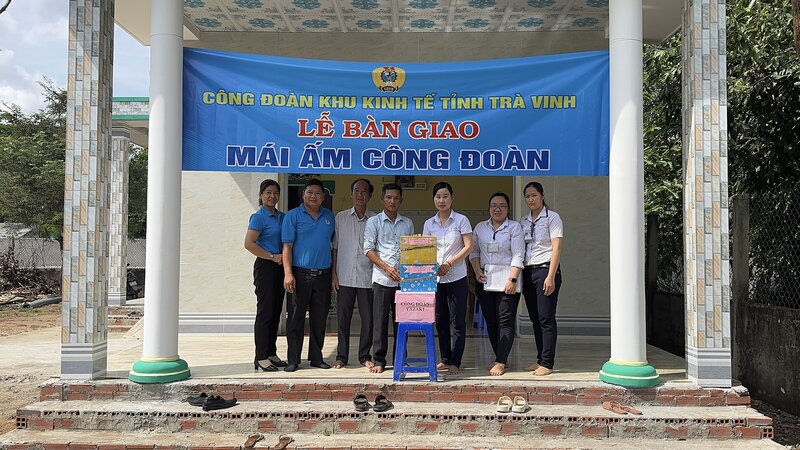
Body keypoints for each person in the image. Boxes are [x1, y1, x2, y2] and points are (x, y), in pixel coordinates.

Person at [281, 178, 336, 372]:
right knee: (295, 319)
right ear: (303, 194)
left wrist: (333, 275)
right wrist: (288, 274)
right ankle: (293, 360)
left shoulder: (329, 217)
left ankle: (316, 357)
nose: (313, 196)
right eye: (309, 192)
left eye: (318, 193)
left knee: (319, 319)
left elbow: (332, 247)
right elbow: (287, 247)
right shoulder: (293, 216)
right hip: (299, 274)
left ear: (323, 196)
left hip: (323, 275)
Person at [469, 192, 525, 376]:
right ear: (489, 208)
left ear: (508, 209)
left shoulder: (514, 228)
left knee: (506, 321)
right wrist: (477, 270)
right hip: (485, 279)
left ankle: (500, 362)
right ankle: (500, 356)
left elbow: (518, 254)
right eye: (494, 205)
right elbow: (474, 252)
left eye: (502, 205)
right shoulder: (480, 228)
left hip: (508, 279)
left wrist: (513, 279)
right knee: (491, 321)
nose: (497, 209)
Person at [423, 181, 473, 375]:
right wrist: (431, 266)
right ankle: (444, 358)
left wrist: (449, 263)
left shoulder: (461, 220)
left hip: (457, 277)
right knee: (440, 319)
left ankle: (456, 361)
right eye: (438, 197)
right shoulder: (429, 223)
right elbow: (426, 249)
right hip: (436, 279)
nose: (441, 200)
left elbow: (468, 246)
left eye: (445, 196)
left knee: (458, 321)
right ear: (433, 199)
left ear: (452, 199)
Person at [363, 183, 414, 373]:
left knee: (402, 322)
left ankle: (401, 358)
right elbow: (368, 249)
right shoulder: (374, 222)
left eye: (396, 198)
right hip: (382, 280)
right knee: (380, 321)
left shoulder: (407, 223)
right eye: (388, 197)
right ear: (382, 199)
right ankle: (379, 360)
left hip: (403, 281)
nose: (392, 201)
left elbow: (411, 250)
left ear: (401, 200)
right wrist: (387, 268)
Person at [331, 179, 376, 369]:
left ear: (370, 196)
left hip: (367, 277)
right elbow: (334, 248)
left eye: (364, 191)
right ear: (351, 194)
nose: (360, 194)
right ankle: (341, 356)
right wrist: (334, 274)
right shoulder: (340, 218)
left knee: (368, 319)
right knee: (343, 319)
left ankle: (364, 356)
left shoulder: (375, 220)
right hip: (344, 276)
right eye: (356, 190)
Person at [244, 179, 288, 372]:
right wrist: (271, 256)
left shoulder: (281, 216)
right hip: (266, 267)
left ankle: (271, 353)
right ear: (261, 195)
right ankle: (261, 356)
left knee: (276, 311)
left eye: (275, 193)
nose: (272, 196)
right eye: (268, 192)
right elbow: (249, 243)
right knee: (265, 312)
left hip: (280, 267)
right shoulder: (258, 217)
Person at [521, 181, 564, 376]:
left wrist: (551, 276)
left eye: (534, 195)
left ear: (542, 196)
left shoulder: (552, 218)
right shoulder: (524, 221)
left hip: (546, 270)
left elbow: (557, 247)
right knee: (535, 319)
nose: (531, 199)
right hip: (528, 271)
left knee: (546, 318)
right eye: (527, 196)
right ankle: (540, 359)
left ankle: (547, 363)